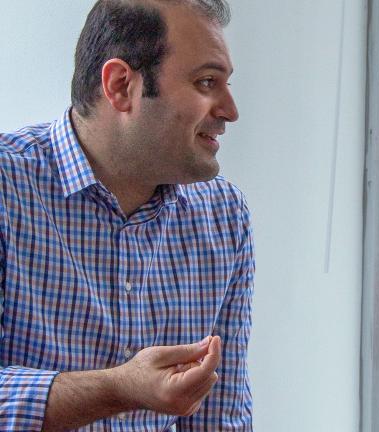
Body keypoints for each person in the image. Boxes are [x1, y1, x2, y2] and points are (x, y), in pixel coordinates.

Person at [0, 0, 252, 430]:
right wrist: (117, 388)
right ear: (121, 86)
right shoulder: (8, 187)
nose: (230, 110)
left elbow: (220, 416)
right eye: (206, 82)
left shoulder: (224, 215)